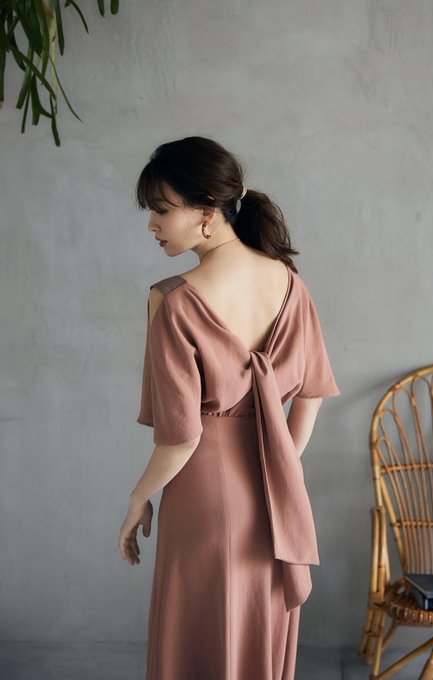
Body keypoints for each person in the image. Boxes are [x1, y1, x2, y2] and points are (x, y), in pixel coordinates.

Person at [118, 136, 340, 680]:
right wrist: (281, 462)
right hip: (276, 493)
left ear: (207, 212)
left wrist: (138, 498)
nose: (152, 224)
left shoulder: (173, 299)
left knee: (200, 632)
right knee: (254, 625)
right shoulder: (289, 282)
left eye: (162, 209)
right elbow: (311, 392)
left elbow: (182, 437)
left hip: (203, 495)